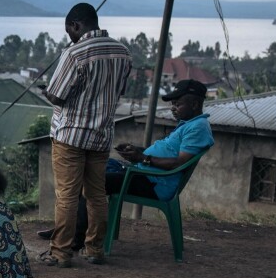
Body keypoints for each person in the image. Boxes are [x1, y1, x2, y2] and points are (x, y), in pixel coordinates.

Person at [38, 79, 214, 254]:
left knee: (91, 181)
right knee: (84, 170)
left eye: (178, 104)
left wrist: (143, 158)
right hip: (145, 174)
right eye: (173, 104)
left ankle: (74, 238)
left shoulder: (198, 127)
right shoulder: (189, 124)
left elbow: (178, 163)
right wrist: (136, 152)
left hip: (155, 183)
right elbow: (168, 155)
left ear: (195, 104)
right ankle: (66, 229)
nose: (173, 108)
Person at [40, 3, 133, 268]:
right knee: (96, 195)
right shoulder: (123, 52)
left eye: (69, 30)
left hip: (70, 135)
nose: (69, 35)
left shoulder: (74, 53)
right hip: (101, 135)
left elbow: (57, 94)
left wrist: (47, 92)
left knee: (67, 195)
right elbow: (119, 91)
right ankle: (95, 250)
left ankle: (61, 253)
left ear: (76, 25)